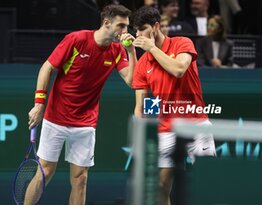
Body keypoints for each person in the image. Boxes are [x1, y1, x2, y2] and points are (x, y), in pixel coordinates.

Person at [26, 4, 136, 205]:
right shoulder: (76, 40)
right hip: (56, 118)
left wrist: (131, 52)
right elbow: (46, 68)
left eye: (127, 27)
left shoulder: (117, 50)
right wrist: (39, 103)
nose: (124, 31)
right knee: (45, 171)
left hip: (85, 123)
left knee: (81, 179)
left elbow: (131, 81)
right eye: (121, 26)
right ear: (106, 23)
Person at [132, 6, 216, 205]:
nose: (139, 35)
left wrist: (152, 48)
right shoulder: (143, 64)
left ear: (155, 27)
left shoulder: (182, 43)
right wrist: (141, 135)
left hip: (196, 123)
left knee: (208, 182)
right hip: (166, 128)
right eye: (136, 31)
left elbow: (178, 69)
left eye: (142, 29)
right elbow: (143, 106)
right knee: (162, 185)